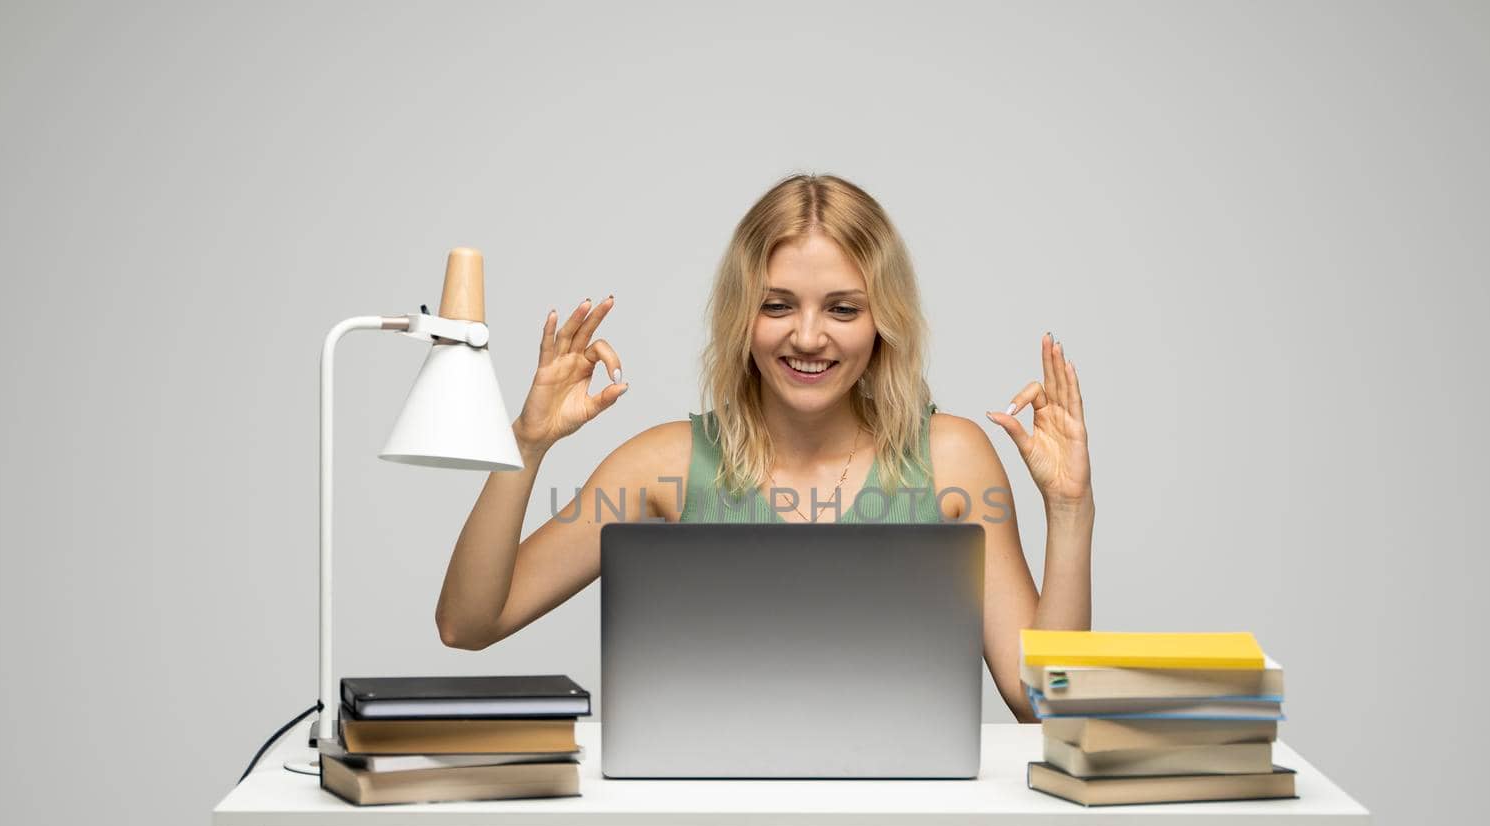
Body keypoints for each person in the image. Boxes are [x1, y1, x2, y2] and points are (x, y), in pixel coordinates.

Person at [435, 174, 1093, 721]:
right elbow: (468, 623)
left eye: (842, 308)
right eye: (778, 305)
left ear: (882, 323)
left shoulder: (952, 459)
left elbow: (1046, 704)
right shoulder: (661, 466)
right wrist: (528, 440)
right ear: (741, 315)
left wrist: (1068, 509)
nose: (808, 337)